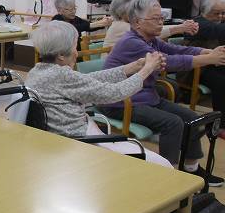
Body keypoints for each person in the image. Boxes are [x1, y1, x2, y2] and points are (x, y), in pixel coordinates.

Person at [100, 0, 225, 185]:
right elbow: (169, 61)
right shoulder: (131, 42)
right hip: (121, 101)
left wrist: (206, 52)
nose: (161, 22)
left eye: (161, 18)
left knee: (194, 119)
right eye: (155, 19)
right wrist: (208, 59)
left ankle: (191, 168)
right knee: (173, 123)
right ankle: (167, 176)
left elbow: (175, 50)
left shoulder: (150, 40)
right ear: (137, 22)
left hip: (145, 98)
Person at [25, 20, 171, 167]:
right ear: (62, 55)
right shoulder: (62, 75)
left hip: (65, 137)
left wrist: (132, 67)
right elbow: (114, 93)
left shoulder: (37, 71)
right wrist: (147, 70)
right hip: (81, 141)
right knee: (161, 164)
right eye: (75, 47)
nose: (76, 53)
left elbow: (86, 79)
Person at [181, 0, 225, 119]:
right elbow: (218, 30)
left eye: (223, 13)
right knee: (222, 82)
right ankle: (220, 122)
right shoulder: (197, 24)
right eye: (216, 13)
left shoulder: (217, 24)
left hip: (214, 65)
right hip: (195, 68)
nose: (221, 16)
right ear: (204, 12)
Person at [103, 0, 198, 48]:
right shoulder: (120, 25)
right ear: (122, 11)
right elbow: (152, 31)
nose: (136, 12)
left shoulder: (125, 23)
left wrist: (182, 26)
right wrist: (181, 27)